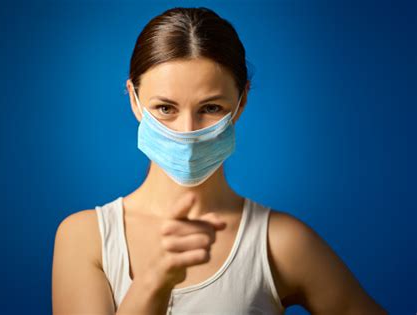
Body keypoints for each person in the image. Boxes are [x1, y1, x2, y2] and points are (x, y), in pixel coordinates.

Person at [52, 6, 387, 315]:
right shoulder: (85, 238)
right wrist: (153, 281)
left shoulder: (281, 243)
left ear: (240, 104)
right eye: (165, 108)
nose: (186, 131)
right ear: (135, 101)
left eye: (210, 108)